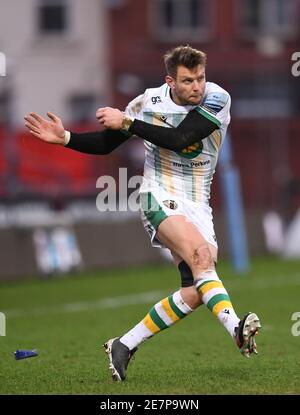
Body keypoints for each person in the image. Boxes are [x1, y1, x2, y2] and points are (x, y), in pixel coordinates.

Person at [24, 45, 261, 383]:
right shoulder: (147, 102)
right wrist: (65, 138)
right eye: (188, 80)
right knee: (202, 256)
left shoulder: (217, 98)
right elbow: (107, 143)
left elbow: (182, 138)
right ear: (170, 81)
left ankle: (124, 344)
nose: (197, 86)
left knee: (196, 290)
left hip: (198, 203)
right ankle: (237, 330)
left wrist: (130, 122)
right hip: (157, 195)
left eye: (200, 78)